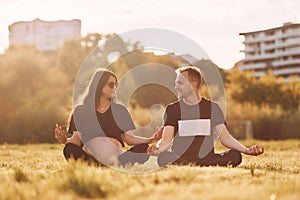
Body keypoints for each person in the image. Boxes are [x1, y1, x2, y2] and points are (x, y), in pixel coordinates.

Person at [147, 66, 264, 167]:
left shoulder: (213, 108)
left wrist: (246, 150)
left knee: (235, 155)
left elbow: (225, 138)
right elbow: (166, 140)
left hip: (208, 159)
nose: (176, 87)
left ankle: (195, 165)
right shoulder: (172, 109)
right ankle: (188, 164)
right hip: (181, 158)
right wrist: (158, 149)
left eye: (180, 83)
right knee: (164, 157)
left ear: (193, 84)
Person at [55, 68, 159, 166]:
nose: (114, 88)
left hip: (117, 160)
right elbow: (77, 139)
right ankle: (94, 164)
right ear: (99, 85)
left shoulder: (120, 110)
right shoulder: (80, 111)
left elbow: (129, 138)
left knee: (143, 149)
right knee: (69, 149)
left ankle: (112, 165)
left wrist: (149, 140)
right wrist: (64, 140)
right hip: (90, 158)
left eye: (116, 85)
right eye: (111, 84)